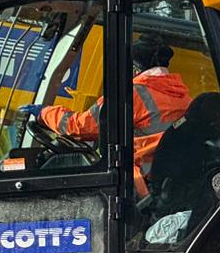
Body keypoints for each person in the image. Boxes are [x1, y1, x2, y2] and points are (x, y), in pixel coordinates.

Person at [34, 38, 193, 192]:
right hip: (171, 179)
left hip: (139, 181)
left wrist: (44, 113)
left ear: (134, 68)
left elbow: (80, 126)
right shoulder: (182, 94)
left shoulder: (131, 95)